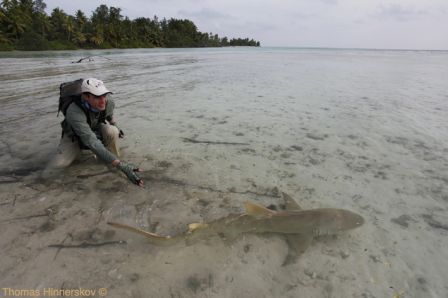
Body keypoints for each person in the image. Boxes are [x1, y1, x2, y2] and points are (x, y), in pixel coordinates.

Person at [45, 78, 144, 187]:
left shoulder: (108, 101)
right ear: (86, 96)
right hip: (74, 135)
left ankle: (112, 160)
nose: (103, 101)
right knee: (54, 169)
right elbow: (91, 141)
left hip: (95, 127)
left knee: (112, 131)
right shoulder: (74, 111)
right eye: (97, 97)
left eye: (104, 95)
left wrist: (115, 125)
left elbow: (109, 115)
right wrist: (122, 166)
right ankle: (116, 163)